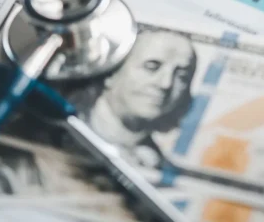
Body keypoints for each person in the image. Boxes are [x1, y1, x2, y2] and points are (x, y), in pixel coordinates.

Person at [71, 29, 198, 167]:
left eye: (182, 76)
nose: (166, 84)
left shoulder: (158, 166)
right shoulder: (56, 116)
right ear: (112, 71)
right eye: (151, 67)